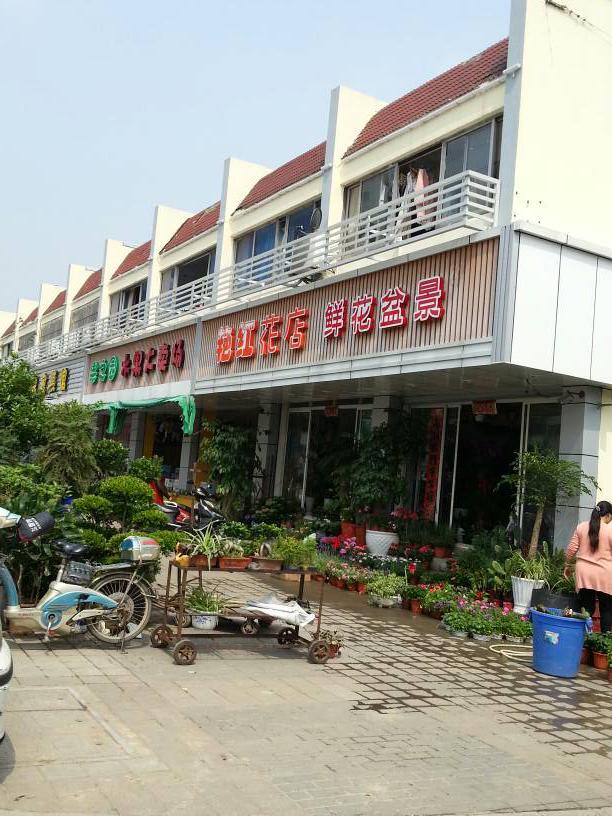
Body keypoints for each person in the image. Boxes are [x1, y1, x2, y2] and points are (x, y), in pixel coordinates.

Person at [564, 500, 612, 632]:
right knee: (607, 609)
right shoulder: (610, 530)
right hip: (605, 574)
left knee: (586, 607)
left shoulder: (581, 527)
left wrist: (567, 565)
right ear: (608, 515)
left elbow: (571, 549)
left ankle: (580, 637)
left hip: (584, 573)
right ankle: (605, 641)